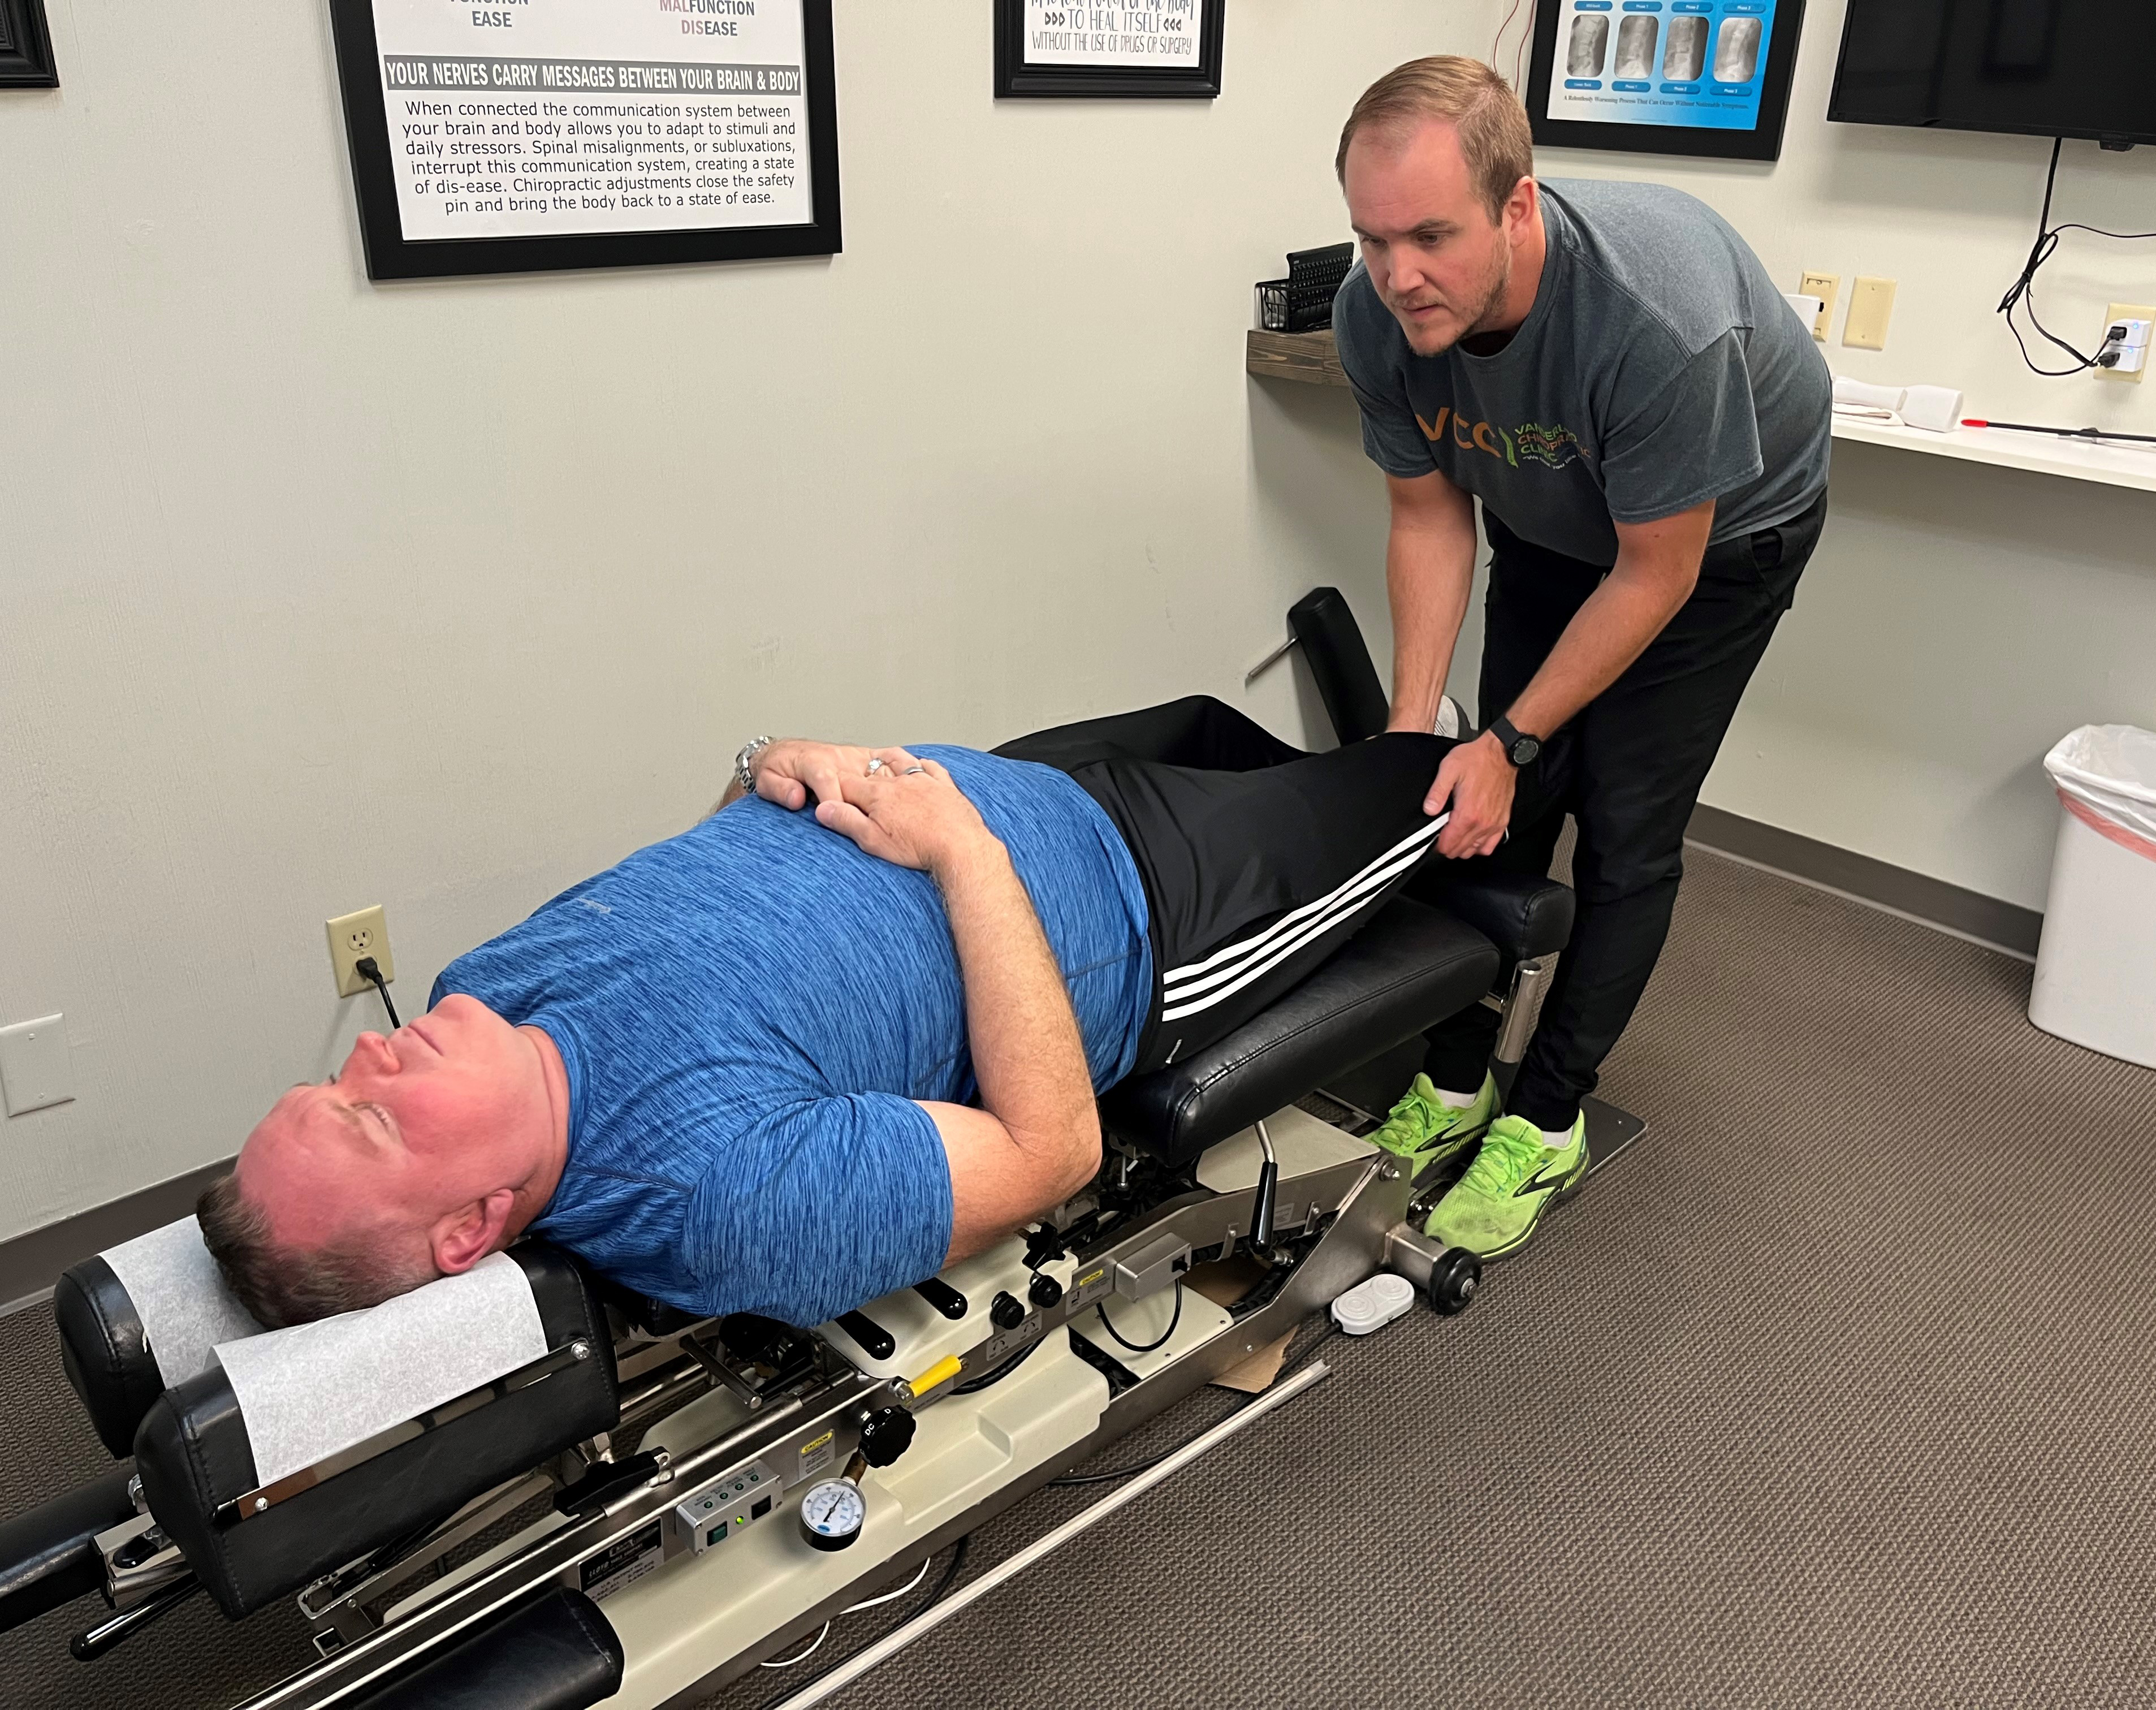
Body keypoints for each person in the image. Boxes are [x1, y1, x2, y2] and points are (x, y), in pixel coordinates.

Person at [198, 699, 1459, 1329]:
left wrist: (762, 772)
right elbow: (1052, 1151)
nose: (372, 1047)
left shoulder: (483, 990)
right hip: (1147, 906)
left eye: (332, 1085)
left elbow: (703, 901)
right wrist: (962, 852)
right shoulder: (720, 1201)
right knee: (1445, 779)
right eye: (372, 1118)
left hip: (1019, 778)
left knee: (1233, 724)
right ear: (474, 1228)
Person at [1330, 56, 1833, 1257]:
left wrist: (1512, 735)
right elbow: (1428, 515)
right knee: (1477, 807)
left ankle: (1549, 1112)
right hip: (1552, 521)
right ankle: (1456, 1077)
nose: (1400, 275)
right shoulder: (1378, 313)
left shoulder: (1654, 322)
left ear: (1518, 207)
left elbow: (1657, 572)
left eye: (1432, 237)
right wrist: (1423, 729)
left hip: (1719, 546)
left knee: (1621, 823)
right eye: (1372, 238)